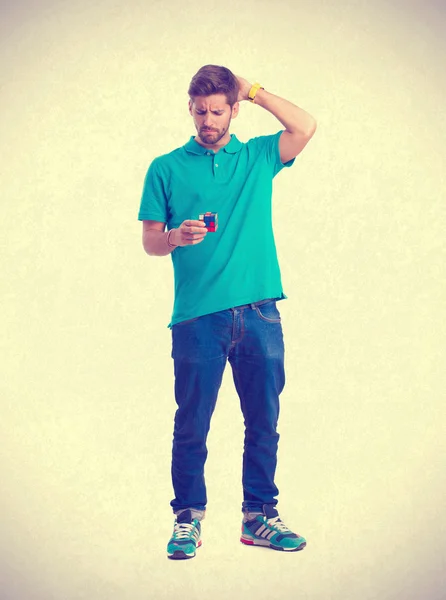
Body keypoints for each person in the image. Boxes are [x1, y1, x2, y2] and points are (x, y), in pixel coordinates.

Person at [138, 65, 316, 560]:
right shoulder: (166, 167)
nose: (208, 121)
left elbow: (304, 126)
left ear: (233, 109)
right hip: (197, 317)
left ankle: (259, 516)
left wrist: (254, 89)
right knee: (192, 421)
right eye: (200, 112)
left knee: (264, 418)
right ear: (189, 108)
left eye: (218, 111)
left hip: (260, 311)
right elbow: (151, 240)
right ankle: (187, 519)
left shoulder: (258, 155)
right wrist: (175, 237)